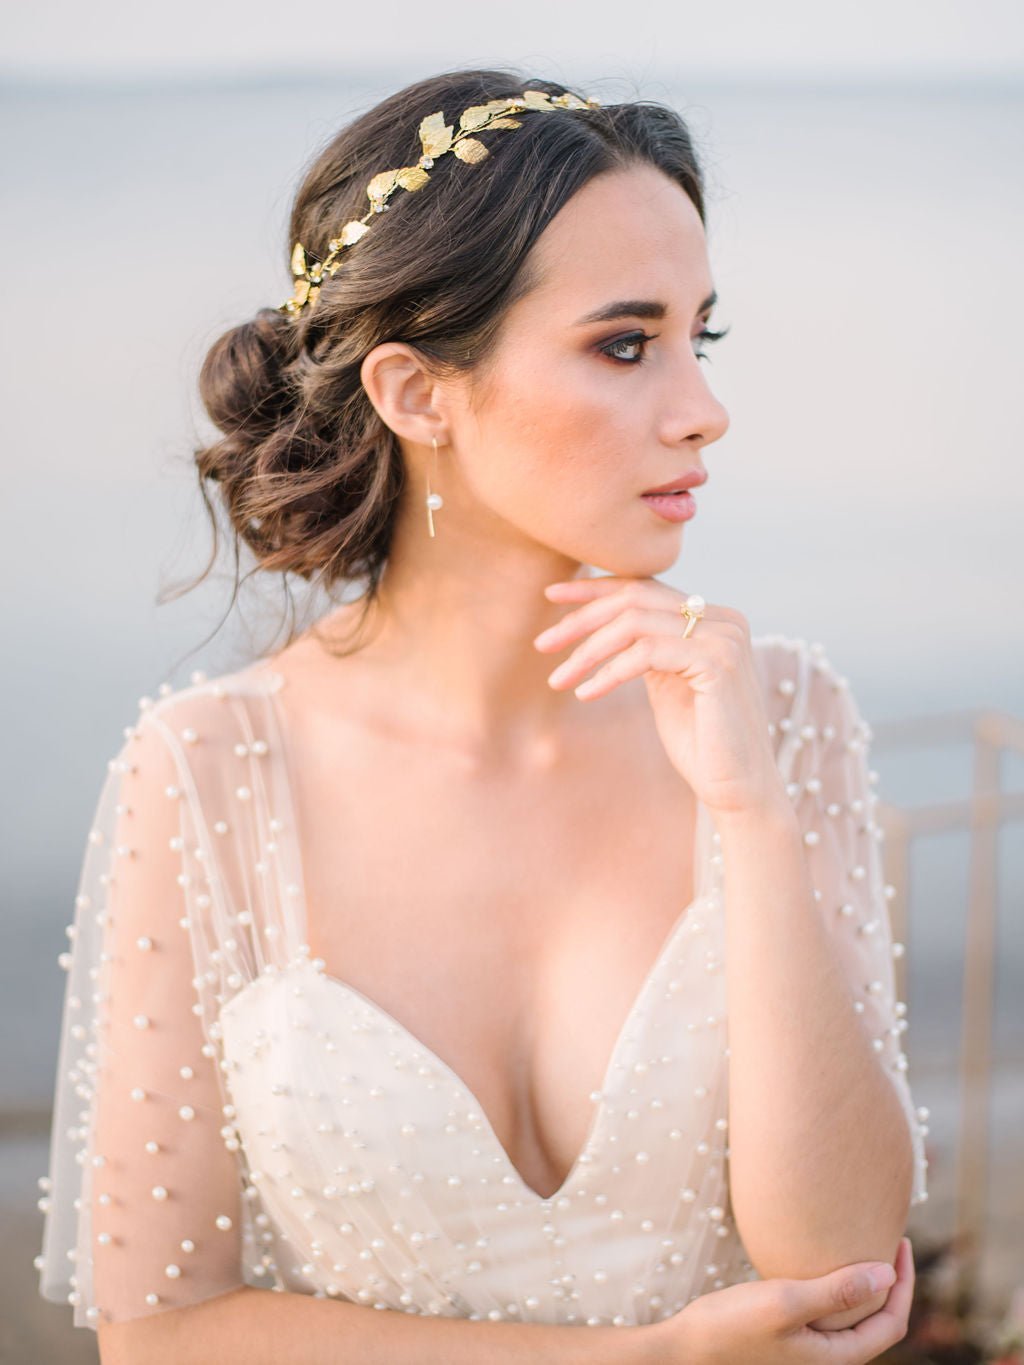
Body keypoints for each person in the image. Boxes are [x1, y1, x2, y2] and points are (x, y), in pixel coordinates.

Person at [35, 66, 929, 1363]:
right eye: (626, 344)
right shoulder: (212, 769)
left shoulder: (782, 714)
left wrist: (747, 808)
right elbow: (161, 1327)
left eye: (700, 337)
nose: (703, 408)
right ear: (417, 394)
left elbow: (840, 1259)